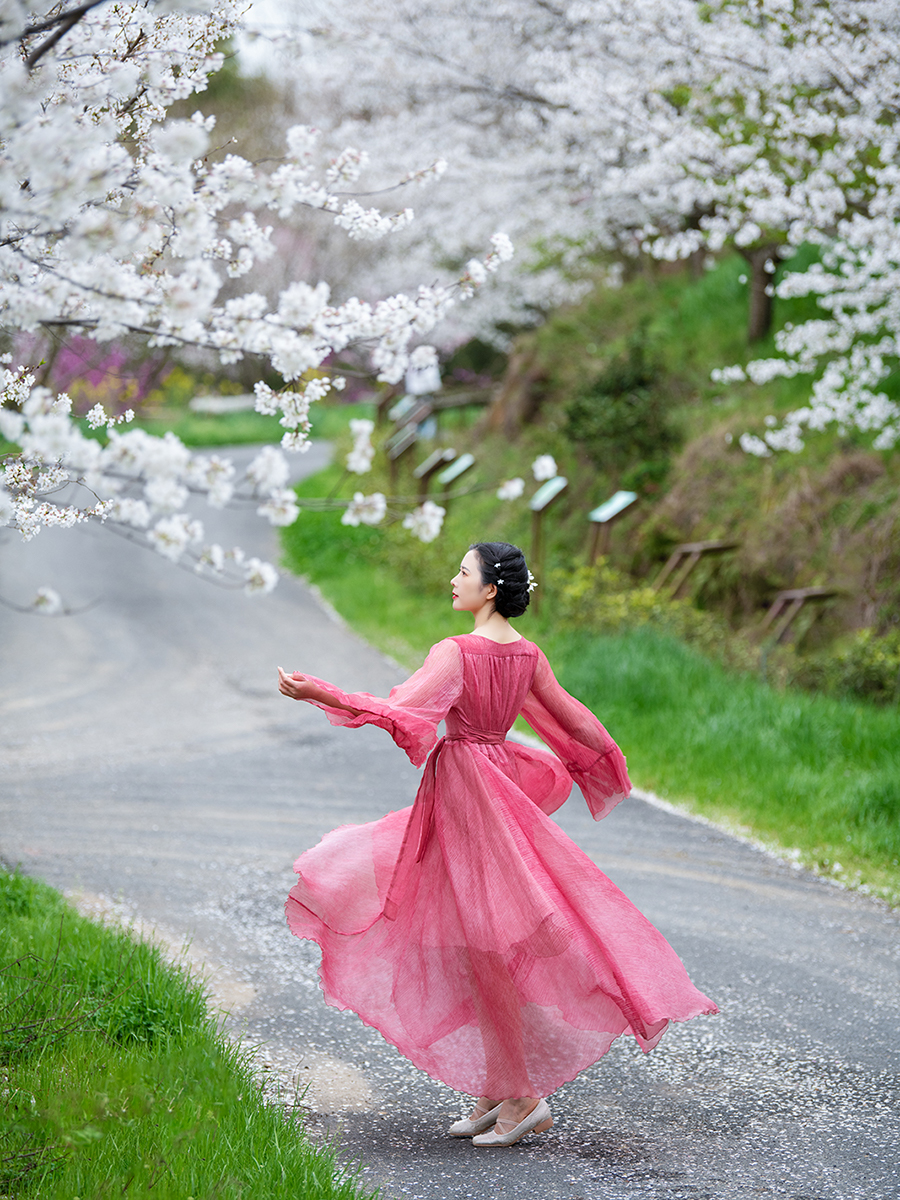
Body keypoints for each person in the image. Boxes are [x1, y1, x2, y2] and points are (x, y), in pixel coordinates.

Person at [278, 541, 717, 1148]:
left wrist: (320, 692)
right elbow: (570, 718)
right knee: (474, 936)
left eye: (463, 572)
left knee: (479, 936)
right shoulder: (527, 653)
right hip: (496, 784)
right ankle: (498, 1083)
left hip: (467, 790)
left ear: (490, 590)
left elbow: (402, 711)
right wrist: (605, 766)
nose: (452, 579)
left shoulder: (455, 651)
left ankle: (522, 1097)